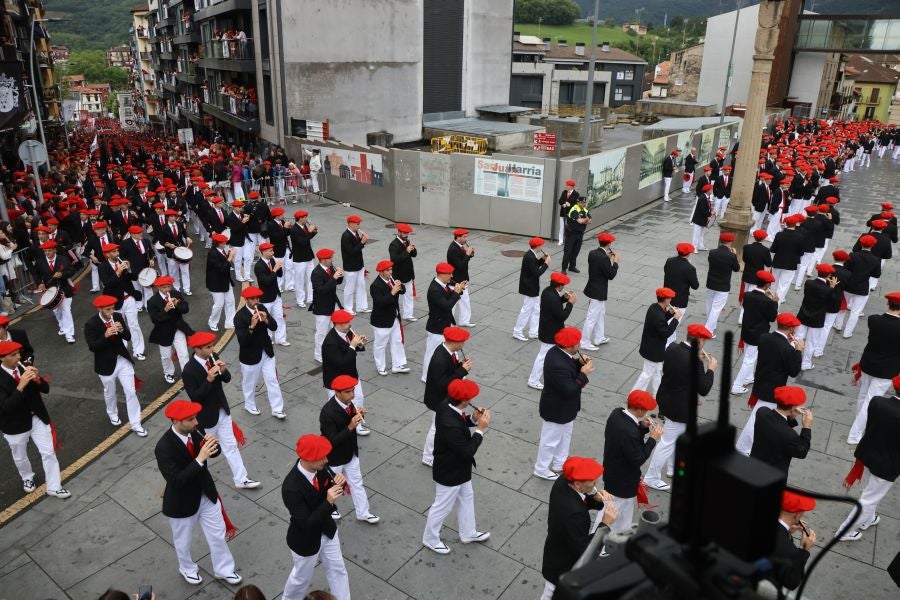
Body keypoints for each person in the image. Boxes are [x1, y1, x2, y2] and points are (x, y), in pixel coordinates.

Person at [155, 399, 242, 586]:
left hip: (205, 493)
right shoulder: (163, 448)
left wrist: (213, 446)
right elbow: (177, 481)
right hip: (181, 503)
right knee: (183, 541)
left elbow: (214, 452)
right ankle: (187, 568)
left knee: (217, 534)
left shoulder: (194, 430)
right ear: (175, 421)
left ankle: (224, 569)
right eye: (191, 419)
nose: (196, 422)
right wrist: (200, 458)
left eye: (195, 418)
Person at [181, 331, 260, 490]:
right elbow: (195, 397)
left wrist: (223, 371)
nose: (212, 349)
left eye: (212, 346)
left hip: (222, 411)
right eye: (208, 347)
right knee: (205, 452)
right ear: (197, 349)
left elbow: (227, 378)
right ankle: (198, 484)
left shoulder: (213, 357)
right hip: (206, 418)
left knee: (230, 446)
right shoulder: (189, 370)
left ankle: (241, 478)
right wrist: (209, 380)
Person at [422, 379, 492, 554]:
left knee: (467, 496)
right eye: (470, 398)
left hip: (458, 469)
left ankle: (468, 532)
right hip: (449, 471)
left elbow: (459, 421)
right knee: (442, 506)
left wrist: (472, 419)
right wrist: (480, 429)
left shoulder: (446, 405)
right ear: (464, 401)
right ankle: (430, 538)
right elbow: (467, 450)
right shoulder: (449, 423)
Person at [644, 324, 716, 491]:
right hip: (680, 407)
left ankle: (672, 467)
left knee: (677, 437)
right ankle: (651, 477)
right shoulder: (695, 361)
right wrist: (711, 369)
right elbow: (704, 388)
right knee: (667, 442)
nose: (705, 343)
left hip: (667, 399)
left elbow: (679, 373)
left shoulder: (672, 347)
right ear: (699, 340)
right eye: (704, 340)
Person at [281, 434, 350, 600]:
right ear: (309, 460)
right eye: (322, 457)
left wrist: (339, 482)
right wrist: (328, 501)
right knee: (301, 579)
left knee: (337, 568)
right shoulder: (291, 488)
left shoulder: (320, 469)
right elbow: (306, 524)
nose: (326, 460)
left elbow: (330, 482)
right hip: (306, 540)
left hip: (327, 530)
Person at [539, 456, 619, 600]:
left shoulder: (563, 481)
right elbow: (583, 550)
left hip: (556, 553)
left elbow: (579, 498)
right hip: (562, 567)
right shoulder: (574, 514)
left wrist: (595, 497)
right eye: (592, 480)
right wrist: (605, 525)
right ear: (577, 484)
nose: (596, 482)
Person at [0, 340, 70, 499]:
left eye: (18, 353)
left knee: (48, 452)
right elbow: (5, 408)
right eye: (13, 355)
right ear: (1, 358)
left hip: (36, 417)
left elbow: (46, 389)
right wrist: (21, 385)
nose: (18, 357)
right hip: (14, 425)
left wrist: (38, 379)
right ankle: (27, 477)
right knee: (20, 455)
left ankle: (54, 486)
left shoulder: (22, 367)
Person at [837, 375, 900, 541]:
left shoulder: (878, 402)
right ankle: (845, 531)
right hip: (887, 465)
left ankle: (868, 519)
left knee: (869, 492)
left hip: (868, 454)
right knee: (869, 499)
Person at [735, 313, 803, 455]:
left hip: (761, 383)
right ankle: (743, 448)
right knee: (758, 420)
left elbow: (775, 353)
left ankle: (743, 447)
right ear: (791, 330)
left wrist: (789, 345)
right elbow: (794, 371)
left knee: (758, 417)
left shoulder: (764, 337)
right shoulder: (788, 349)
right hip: (773, 390)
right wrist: (798, 351)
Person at [595, 390, 663, 533]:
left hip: (613, 472)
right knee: (612, 510)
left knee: (619, 510)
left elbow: (626, 438)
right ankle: (599, 542)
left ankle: (619, 535)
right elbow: (638, 458)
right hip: (623, 481)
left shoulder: (617, 413)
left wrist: (642, 427)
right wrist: (652, 439)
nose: (646, 413)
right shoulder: (629, 432)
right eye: (645, 410)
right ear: (639, 409)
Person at [533, 327, 593, 481]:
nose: (578, 346)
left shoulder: (558, 352)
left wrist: (579, 363)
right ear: (568, 346)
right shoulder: (558, 363)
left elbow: (569, 366)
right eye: (576, 344)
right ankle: (541, 468)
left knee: (565, 436)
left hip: (565, 409)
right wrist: (583, 374)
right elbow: (570, 389)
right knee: (550, 441)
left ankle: (560, 462)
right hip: (556, 409)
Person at [319, 375, 380, 524]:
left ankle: (363, 512)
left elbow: (349, 419)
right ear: (337, 393)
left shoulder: (349, 404)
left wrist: (357, 415)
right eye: (347, 392)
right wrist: (351, 426)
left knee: (357, 483)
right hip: (335, 458)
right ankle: (328, 509)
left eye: (352, 391)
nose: (352, 395)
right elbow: (331, 441)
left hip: (350, 454)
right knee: (330, 486)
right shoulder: (327, 412)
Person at [84, 295, 146, 437]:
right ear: (100, 309)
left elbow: (128, 337)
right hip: (105, 364)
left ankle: (136, 423)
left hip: (122, 360)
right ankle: (112, 412)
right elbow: (93, 347)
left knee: (130, 391)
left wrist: (121, 330)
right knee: (110, 391)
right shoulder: (91, 324)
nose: (111, 312)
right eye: (108, 309)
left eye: (112, 308)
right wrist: (105, 336)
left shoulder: (117, 316)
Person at [846, 292, 900, 444]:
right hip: (886, 370)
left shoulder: (874, 320)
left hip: (868, 364)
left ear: (888, 304)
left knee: (863, 397)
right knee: (870, 401)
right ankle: (855, 434)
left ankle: (858, 425)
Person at [422, 326, 472, 467]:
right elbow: (442, 384)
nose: (463, 344)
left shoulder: (447, 351)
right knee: (436, 428)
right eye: (462, 342)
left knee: (438, 427)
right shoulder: (440, 358)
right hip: (438, 400)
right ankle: (428, 456)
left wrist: (461, 365)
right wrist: (462, 370)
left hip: (443, 398)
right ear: (454, 342)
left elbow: (449, 372)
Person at [234, 286, 285, 419]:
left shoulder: (262, 308)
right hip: (250, 356)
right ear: (246, 299)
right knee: (249, 383)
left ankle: (277, 409)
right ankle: (249, 404)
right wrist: (252, 326)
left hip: (266, 352)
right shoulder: (240, 317)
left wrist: (266, 319)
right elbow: (243, 341)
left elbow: (274, 326)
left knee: (272, 380)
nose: (256, 301)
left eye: (258, 298)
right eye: (253, 299)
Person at [731, 271, 779, 395]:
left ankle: (748, 377)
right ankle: (737, 385)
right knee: (750, 359)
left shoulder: (747, 295)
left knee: (748, 356)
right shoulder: (767, 302)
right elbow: (772, 317)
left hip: (746, 331)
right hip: (758, 334)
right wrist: (774, 302)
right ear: (767, 285)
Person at [322, 310, 369, 435]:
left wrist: (359, 344)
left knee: (358, 398)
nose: (350, 324)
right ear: (337, 324)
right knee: (338, 406)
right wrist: (352, 346)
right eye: (347, 322)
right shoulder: (330, 343)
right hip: (336, 381)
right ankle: (342, 428)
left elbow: (353, 349)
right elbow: (342, 363)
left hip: (351, 375)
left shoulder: (347, 332)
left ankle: (357, 424)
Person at [527, 272, 576, 391]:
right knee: (543, 356)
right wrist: (570, 304)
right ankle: (533, 380)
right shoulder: (553, 297)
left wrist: (564, 299)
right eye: (563, 285)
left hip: (546, 329)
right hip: (550, 332)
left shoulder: (547, 291)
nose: (564, 287)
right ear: (559, 286)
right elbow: (562, 316)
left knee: (546, 354)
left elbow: (554, 305)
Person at [98, 243, 146, 360]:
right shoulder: (103, 267)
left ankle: (138, 350)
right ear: (107, 254)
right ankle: (122, 350)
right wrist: (118, 272)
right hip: (114, 303)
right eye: (114, 252)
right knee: (119, 327)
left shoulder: (122, 262)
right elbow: (107, 284)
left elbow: (134, 278)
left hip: (128, 298)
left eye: (117, 251)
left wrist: (129, 269)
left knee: (134, 325)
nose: (117, 254)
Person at [751, 385, 813, 475]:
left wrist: (791, 416)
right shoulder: (790, 435)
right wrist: (806, 427)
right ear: (793, 407)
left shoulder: (762, 411)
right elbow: (802, 452)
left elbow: (776, 425)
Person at [631, 287, 682, 395]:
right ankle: (634, 395)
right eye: (670, 298)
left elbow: (660, 322)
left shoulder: (654, 307)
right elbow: (666, 332)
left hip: (651, 347)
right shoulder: (658, 314)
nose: (671, 300)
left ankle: (657, 394)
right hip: (653, 351)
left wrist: (670, 314)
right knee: (647, 374)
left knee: (657, 372)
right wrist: (676, 319)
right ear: (666, 300)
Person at [147, 275, 194, 384]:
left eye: (169, 287)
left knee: (183, 353)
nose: (167, 290)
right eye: (164, 287)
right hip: (163, 332)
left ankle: (187, 375)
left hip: (178, 328)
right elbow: (155, 319)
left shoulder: (176, 294)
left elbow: (185, 309)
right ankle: (168, 372)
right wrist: (165, 309)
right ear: (158, 287)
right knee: (166, 356)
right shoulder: (152, 301)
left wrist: (178, 304)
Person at [421, 262, 463, 381]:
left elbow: (449, 297)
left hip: (444, 324)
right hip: (437, 327)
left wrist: (459, 290)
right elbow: (447, 305)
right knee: (431, 352)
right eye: (449, 274)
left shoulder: (442, 284)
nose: (451, 276)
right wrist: (456, 292)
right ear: (442, 274)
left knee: (450, 350)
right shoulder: (435, 289)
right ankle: (426, 376)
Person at [769, 490, 817, 591]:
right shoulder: (790, 551)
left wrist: (788, 533)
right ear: (797, 514)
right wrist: (803, 550)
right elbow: (792, 582)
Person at [795, 263, 839, 371]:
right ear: (829, 275)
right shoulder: (828, 289)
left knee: (797, 338)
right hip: (817, 319)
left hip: (803, 315)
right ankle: (806, 363)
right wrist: (832, 288)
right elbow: (831, 303)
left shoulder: (808, 282)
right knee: (811, 342)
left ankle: (793, 358)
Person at [369, 260, 409, 375]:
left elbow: (403, 291)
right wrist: (392, 292)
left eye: (391, 269)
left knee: (397, 341)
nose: (390, 272)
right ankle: (380, 366)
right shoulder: (375, 285)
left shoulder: (392, 278)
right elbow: (380, 302)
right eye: (388, 270)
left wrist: (400, 286)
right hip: (381, 320)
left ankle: (398, 365)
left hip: (394, 317)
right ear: (381, 272)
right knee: (380, 344)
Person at [581, 232, 618, 350]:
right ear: (609, 244)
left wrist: (607, 258)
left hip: (593, 288)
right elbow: (611, 275)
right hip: (598, 291)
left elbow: (598, 265)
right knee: (592, 317)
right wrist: (615, 262)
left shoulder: (593, 253)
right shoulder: (604, 258)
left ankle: (598, 337)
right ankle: (584, 342)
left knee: (601, 314)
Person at [839, 235, 882, 338]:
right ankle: (847, 333)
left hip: (848, 285)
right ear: (872, 245)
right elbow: (876, 275)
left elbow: (846, 268)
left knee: (842, 307)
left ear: (861, 244)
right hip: (862, 288)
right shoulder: (876, 259)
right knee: (855, 312)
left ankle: (838, 324)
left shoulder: (853, 255)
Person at [34, 240, 76, 344]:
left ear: (55, 250)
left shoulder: (63, 259)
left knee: (66, 311)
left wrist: (62, 274)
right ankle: (62, 326)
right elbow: (36, 274)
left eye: (49, 251)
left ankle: (69, 334)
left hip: (64, 289)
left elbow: (71, 271)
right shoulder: (40, 261)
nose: (47, 253)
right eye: (45, 251)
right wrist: (39, 283)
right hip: (50, 292)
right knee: (57, 311)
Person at [512, 237, 550, 342]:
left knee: (536, 310)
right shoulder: (530, 257)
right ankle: (517, 331)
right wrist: (546, 264)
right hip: (530, 288)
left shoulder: (530, 254)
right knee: (526, 310)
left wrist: (542, 259)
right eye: (541, 245)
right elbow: (537, 273)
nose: (541, 247)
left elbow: (534, 266)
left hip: (531, 288)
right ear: (537, 246)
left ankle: (533, 332)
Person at [310, 248, 344, 364]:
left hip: (333, 304)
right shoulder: (316, 273)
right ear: (323, 260)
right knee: (321, 333)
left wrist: (340, 275)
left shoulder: (331, 267)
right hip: (322, 307)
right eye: (330, 258)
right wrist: (334, 277)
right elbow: (321, 290)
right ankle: (318, 355)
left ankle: (335, 350)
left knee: (338, 328)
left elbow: (338, 282)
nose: (331, 260)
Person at [704, 232, 740, 337]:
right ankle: (708, 330)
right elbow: (737, 269)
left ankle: (711, 325)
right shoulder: (731, 256)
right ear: (730, 242)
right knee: (716, 308)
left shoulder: (712, 252)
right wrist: (734, 255)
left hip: (711, 283)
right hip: (723, 286)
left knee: (709, 305)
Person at [662, 243, 698, 346]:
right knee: (672, 324)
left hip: (666, 297)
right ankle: (666, 346)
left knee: (667, 321)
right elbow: (695, 285)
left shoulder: (669, 261)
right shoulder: (689, 268)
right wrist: (690, 267)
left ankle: (672, 342)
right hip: (680, 300)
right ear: (689, 254)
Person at [254, 242, 289, 347]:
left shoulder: (272, 260)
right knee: (266, 319)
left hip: (276, 295)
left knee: (279, 317)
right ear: (263, 252)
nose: (273, 252)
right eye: (270, 251)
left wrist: (279, 267)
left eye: (272, 250)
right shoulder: (259, 266)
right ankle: (268, 339)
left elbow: (280, 274)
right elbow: (266, 281)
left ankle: (281, 339)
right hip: (265, 298)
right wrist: (274, 269)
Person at [770, 214, 806, 304]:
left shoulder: (779, 234)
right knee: (783, 286)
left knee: (774, 283)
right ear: (795, 224)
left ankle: (770, 301)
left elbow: (773, 249)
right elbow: (801, 253)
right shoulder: (800, 237)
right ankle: (776, 305)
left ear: (786, 224)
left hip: (778, 262)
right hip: (791, 264)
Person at [738, 230, 772, 323]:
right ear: (764, 238)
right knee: (751, 298)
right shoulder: (765, 250)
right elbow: (769, 264)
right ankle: (744, 317)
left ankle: (742, 316)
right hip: (757, 277)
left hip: (747, 275)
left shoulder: (747, 247)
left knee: (745, 295)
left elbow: (744, 259)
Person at [206, 233, 237, 332]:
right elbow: (222, 269)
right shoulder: (212, 253)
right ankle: (212, 322)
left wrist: (228, 255)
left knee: (230, 302)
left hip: (225, 281)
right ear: (218, 243)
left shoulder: (222, 250)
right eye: (224, 242)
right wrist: (230, 257)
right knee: (219, 304)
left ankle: (230, 322)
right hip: (216, 283)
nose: (225, 243)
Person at [387, 223, 417, 321]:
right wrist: (406, 251)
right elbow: (395, 259)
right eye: (404, 233)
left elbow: (414, 255)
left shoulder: (406, 241)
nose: (406, 235)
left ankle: (408, 314)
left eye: (407, 233)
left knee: (409, 294)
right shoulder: (393, 244)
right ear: (399, 232)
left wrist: (413, 249)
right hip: (398, 274)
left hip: (408, 273)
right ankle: (394, 313)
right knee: (396, 295)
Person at [340, 215, 369, 314]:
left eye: (359, 223)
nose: (359, 225)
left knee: (361, 285)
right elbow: (351, 251)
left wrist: (362, 241)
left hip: (359, 265)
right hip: (350, 267)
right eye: (357, 224)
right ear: (350, 224)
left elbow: (357, 247)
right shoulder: (346, 236)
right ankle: (348, 309)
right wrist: (362, 242)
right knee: (350, 288)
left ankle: (362, 306)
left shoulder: (355, 233)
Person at [447, 228, 475, 326]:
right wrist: (467, 255)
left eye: (466, 237)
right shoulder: (453, 249)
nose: (466, 239)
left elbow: (463, 260)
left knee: (465, 301)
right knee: (453, 303)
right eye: (464, 237)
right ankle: (449, 323)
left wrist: (470, 255)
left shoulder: (459, 246)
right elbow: (460, 266)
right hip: (456, 281)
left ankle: (464, 321)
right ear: (458, 237)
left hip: (462, 280)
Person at [290, 210, 317, 308]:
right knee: (299, 280)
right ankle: (300, 300)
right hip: (299, 259)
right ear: (300, 218)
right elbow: (303, 242)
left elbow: (308, 238)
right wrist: (309, 232)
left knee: (311, 278)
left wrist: (313, 231)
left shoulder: (304, 226)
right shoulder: (294, 229)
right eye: (305, 217)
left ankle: (310, 297)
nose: (307, 219)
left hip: (308, 257)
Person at [161, 209, 192, 295]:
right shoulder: (163, 228)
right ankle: (176, 288)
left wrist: (187, 238)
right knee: (173, 272)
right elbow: (161, 241)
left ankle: (186, 289)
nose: (173, 218)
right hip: (171, 253)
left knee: (185, 270)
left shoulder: (179, 224)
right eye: (171, 216)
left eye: (174, 216)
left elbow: (185, 234)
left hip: (181, 250)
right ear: (167, 217)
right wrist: (168, 245)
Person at [561, 196, 590, 273]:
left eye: (584, 202)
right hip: (571, 234)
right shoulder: (574, 210)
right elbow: (580, 221)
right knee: (568, 252)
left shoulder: (585, 210)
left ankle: (572, 266)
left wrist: (585, 220)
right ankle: (564, 269)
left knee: (576, 251)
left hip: (580, 234)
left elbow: (590, 221)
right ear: (578, 202)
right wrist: (585, 219)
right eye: (582, 202)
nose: (584, 204)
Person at [689, 183, 713, 251]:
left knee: (701, 234)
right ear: (707, 190)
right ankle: (694, 247)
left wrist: (710, 212)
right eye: (711, 190)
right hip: (698, 220)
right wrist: (710, 214)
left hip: (702, 219)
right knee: (696, 234)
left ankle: (700, 246)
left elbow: (707, 208)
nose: (711, 191)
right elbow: (703, 210)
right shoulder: (702, 198)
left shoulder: (706, 197)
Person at [557, 179, 579, 246]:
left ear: (571, 186)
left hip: (570, 214)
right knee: (562, 227)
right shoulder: (564, 192)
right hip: (563, 212)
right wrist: (563, 204)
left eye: (567, 185)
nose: (566, 186)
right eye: (566, 185)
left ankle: (568, 240)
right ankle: (560, 240)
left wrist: (570, 205)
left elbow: (576, 204)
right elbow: (560, 201)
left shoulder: (576, 194)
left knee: (569, 227)